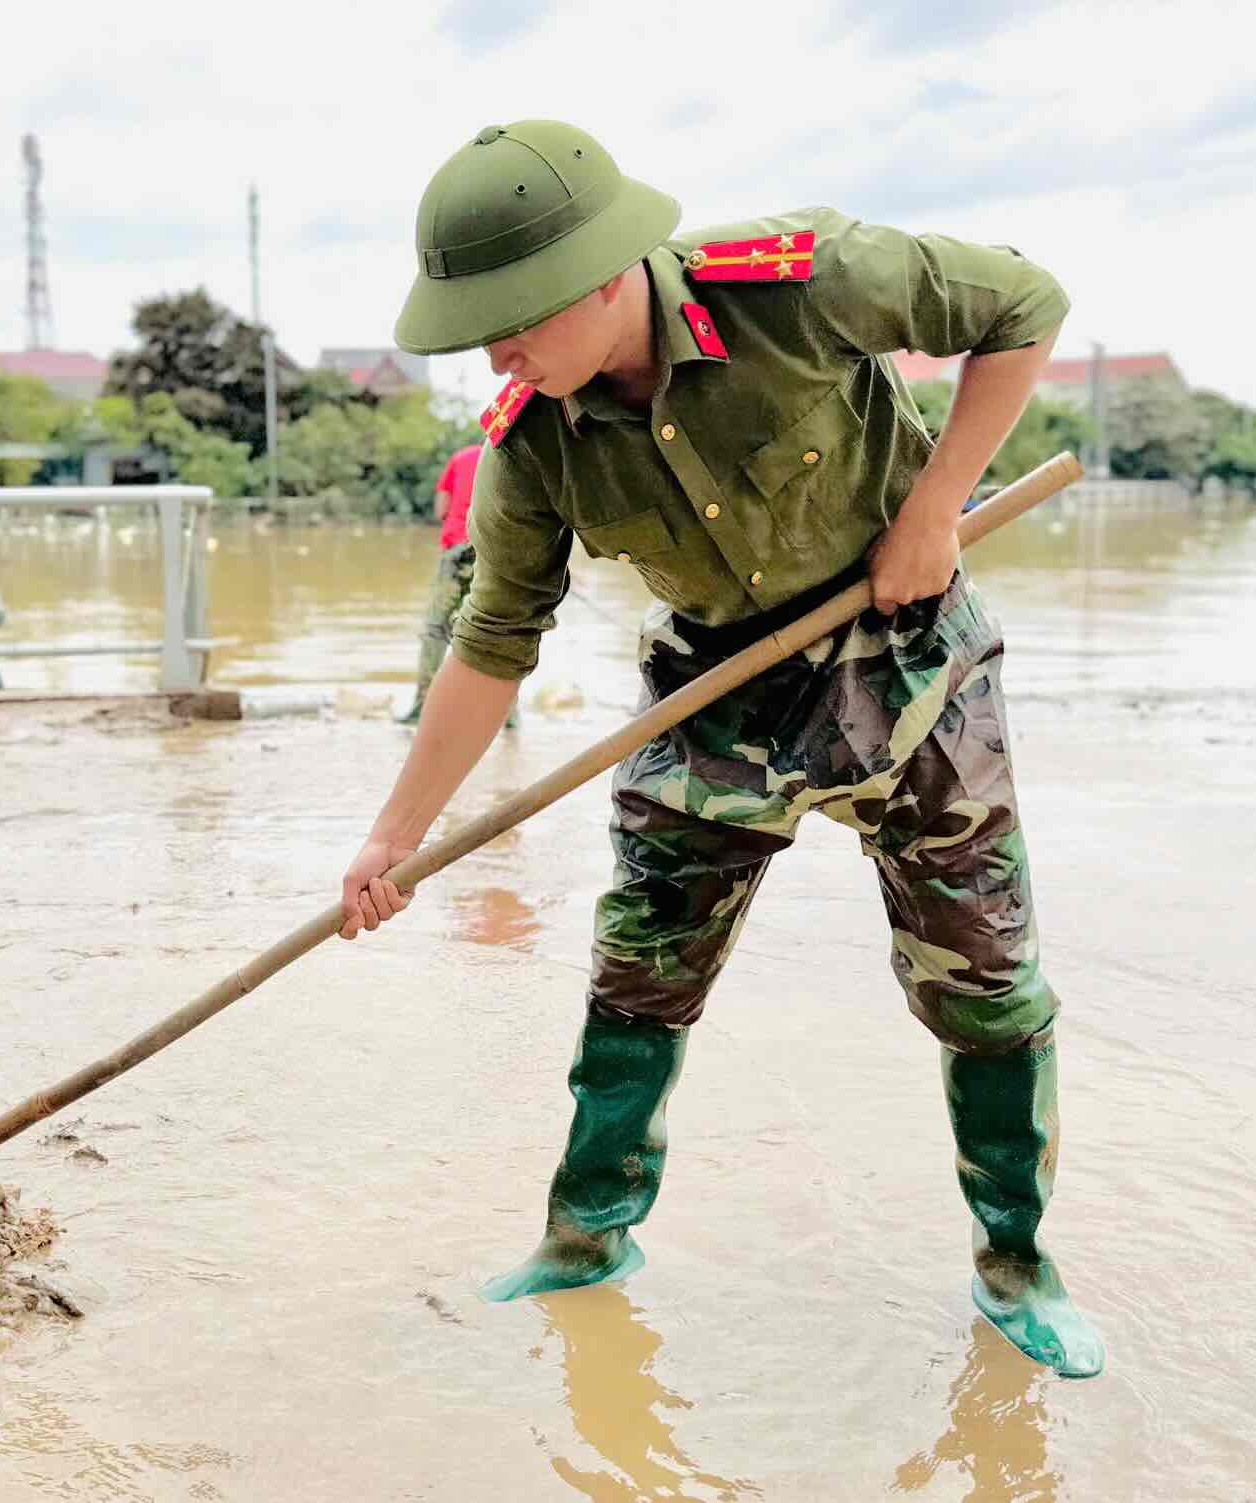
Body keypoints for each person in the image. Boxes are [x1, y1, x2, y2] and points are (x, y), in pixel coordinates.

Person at [337, 119, 1102, 1379]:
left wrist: (931, 511)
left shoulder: (799, 282)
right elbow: (490, 641)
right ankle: (584, 1240)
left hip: (905, 653)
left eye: (514, 317)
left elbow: (1024, 303)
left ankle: (1016, 1264)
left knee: (985, 988)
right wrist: (392, 837)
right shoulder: (530, 442)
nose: (497, 349)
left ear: (599, 276)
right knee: (637, 968)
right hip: (716, 693)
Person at [400, 441, 516, 728]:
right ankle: (509, 716)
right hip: (494, 552)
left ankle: (421, 707)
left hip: (457, 547)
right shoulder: (512, 457)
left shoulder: (459, 458)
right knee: (504, 632)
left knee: (436, 629)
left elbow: (441, 509)